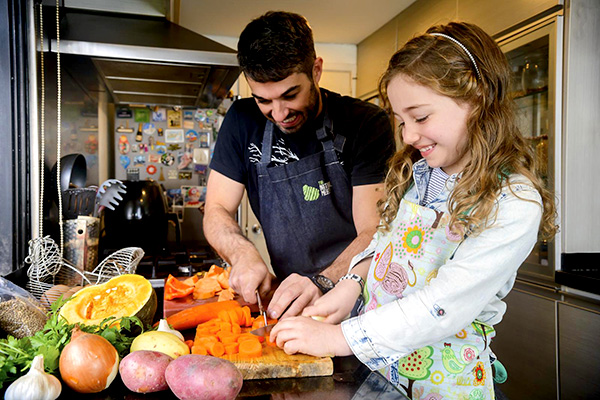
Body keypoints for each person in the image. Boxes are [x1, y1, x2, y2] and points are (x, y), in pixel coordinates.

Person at [270, 21, 557, 399]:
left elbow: (443, 304)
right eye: (401, 121)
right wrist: (352, 284)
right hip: (383, 374)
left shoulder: (513, 202)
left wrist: (339, 338)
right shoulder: (418, 174)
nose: (407, 136)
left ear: (479, 98)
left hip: (445, 384)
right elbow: (387, 246)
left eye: (420, 117)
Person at [204, 11, 395, 318]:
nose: (278, 113)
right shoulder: (241, 120)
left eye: (290, 95)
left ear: (316, 70)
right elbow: (216, 210)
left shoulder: (365, 123)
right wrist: (241, 253)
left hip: (361, 295)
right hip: (292, 300)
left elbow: (373, 230)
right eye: (263, 100)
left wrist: (322, 281)